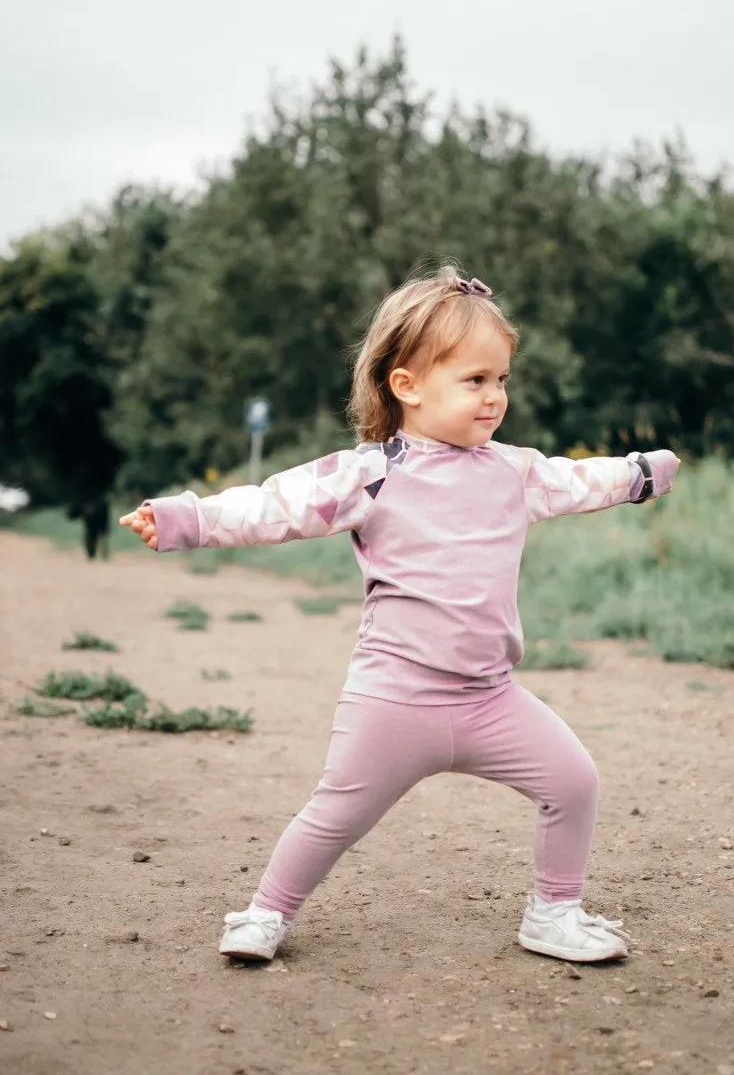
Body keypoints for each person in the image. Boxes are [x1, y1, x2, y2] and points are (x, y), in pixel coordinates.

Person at [120, 266, 680, 966]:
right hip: (393, 702)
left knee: (574, 782)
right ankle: (266, 911)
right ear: (407, 384)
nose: (494, 397)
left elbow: (578, 479)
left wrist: (641, 473)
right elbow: (275, 504)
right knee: (333, 816)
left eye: (502, 380)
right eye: (474, 380)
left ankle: (555, 914)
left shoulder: (513, 470)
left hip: (490, 699)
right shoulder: (370, 473)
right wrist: (186, 517)